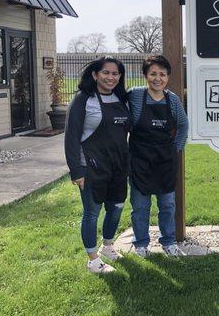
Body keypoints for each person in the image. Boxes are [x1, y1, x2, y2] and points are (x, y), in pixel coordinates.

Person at [65, 56, 130, 273]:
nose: (111, 77)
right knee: (92, 212)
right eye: (106, 73)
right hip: (90, 166)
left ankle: (108, 247)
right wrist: (76, 171)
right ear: (95, 75)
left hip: (118, 166)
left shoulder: (121, 98)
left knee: (116, 208)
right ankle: (93, 260)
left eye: (115, 73)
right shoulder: (83, 99)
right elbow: (71, 137)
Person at [128, 55, 188, 258]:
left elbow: (183, 125)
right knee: (140, 206)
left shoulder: (173, 100)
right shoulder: (135, 96)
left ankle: (168, 242)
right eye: (153, 73)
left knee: (168, 205)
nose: (157, 78)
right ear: (145, 75)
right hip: (140, 160)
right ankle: (141, 244)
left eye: (162, 74)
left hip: (165, 161)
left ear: (167, 77)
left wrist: (175, 149)